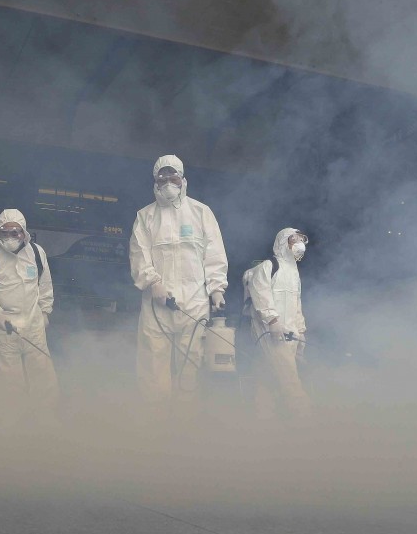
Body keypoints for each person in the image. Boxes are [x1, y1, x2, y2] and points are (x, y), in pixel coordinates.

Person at [129, 155, 228, 410]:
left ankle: (183, 420)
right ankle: (156, 419)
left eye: (173, 177)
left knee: (190, 364)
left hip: (193, 302)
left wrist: (217, 289)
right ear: (155, 181)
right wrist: (153, 283)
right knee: (153, 362)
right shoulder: (146, 216)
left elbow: (214, 253)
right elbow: (139, 253)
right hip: (157, 304)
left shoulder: (200, 212)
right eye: (163, 178)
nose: (168, 182)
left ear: (183, 179)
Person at [0, 209, 57, 428]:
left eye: (16, 232)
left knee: (43, 375)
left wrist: (45, 312)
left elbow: (45, 285)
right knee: (10, 381)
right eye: (5, 233)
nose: (11, 237)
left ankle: (45, 420)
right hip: (5, 329)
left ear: (24, 233)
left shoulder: (37, 253)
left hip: (33, 326)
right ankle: (13, 425)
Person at [244, 228, 312, 420]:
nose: (299, 243)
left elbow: (296, 303)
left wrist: (301, 330)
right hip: (270, 331)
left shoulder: (294, 272)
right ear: (283, 242)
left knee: (265, 377)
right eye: (294, 239)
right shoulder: (269, 266)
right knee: (289, 378)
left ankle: (264, 419)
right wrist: (273, 321)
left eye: (301, 239)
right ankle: (305, 420)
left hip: (289, 333)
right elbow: (260, 294)